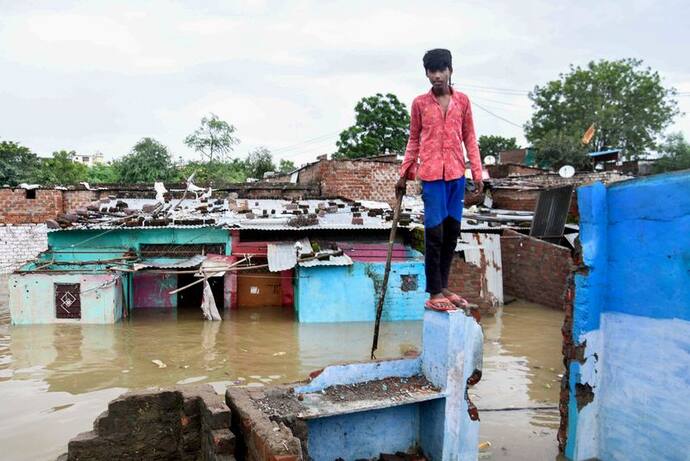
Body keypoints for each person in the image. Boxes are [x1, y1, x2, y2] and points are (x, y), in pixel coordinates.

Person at [396, 48, 483, 311]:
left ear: (450, 71)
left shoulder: (463, 102)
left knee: (451, 234)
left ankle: (444, 285)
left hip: (456, 174)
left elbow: (469, 137)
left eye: (440, 70)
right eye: (431, 71)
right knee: (435, 234)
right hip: (432, 176)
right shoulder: (420, 104)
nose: (436, 76)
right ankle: (434, 292)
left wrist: (477, 173)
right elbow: (413, 139)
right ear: (426, 74)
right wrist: (404, 173)